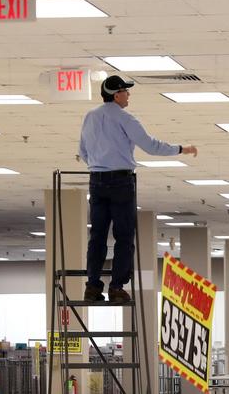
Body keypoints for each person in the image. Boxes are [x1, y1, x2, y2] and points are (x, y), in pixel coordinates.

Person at [78, 75, 197, 303]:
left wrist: (99, 166)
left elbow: (83, 151)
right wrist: (181, 149)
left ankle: (92, 286)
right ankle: (116, 287)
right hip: (121, 182)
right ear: (116, 95)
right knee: (123, 237)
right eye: (125, 91)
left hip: (96, 181)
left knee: (97, 236)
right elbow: (151, 146)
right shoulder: (126, 118)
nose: (129, 95)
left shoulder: (89, 117)